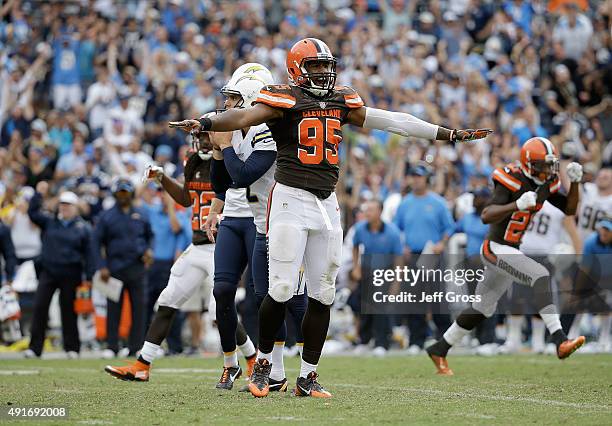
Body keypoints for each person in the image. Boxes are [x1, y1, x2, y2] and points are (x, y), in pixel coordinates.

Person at [170, 37, 491, 397]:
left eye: (326, 65)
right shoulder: (285, 99)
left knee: (324, 294)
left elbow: (391, 121)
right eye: (315, 65)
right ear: (297, 69)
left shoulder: (342, 99)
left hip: (327, 202)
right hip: (290, 198)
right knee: (280, 288)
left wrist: (444, 133)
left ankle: (307, 377)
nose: (323, 72)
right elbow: (242, 115)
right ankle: (263, 364)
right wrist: (205, 121)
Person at [426, 137, 585, 375]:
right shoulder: (510, 179)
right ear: (530, 164)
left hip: (511, 249)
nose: (549, 170)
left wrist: (575, 183)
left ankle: (439, 349)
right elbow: (487, 215)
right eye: (544, 165)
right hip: (496, 248)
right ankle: (560, 340)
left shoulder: (547, 182)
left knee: (481, 309)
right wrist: (516, 205)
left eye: (551, 164)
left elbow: (570, 209)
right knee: (540, 275)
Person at [207, 64, 307, 391]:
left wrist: (223, 148)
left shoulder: (268, 129)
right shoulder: (237, 129)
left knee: (293, 298)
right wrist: (218, 154)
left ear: (250, 99)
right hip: (262, 220)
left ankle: (307, 368)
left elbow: (244, 175)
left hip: (287, 218)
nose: (227, 105)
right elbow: (223, 185)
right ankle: (275, 372)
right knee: (267, 295)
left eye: (235, 98)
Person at [24, 184, 95, 358]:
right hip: (49, 271)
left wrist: (89, 277)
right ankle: (35, 348)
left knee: (68, 311)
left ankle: (72, 348)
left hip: (71, 273)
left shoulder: (83, 227)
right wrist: (38, 194)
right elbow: (32, 213)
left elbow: (90, 254)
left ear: (75, 208)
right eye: (62, 204)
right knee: (40, 307)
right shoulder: (50, 222)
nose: (64, 207)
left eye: (68, 205)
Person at [393, 164, 454, 353]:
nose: (416, 179)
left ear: (427, 178)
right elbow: (397, 229)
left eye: (419, 176)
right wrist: (402, 246)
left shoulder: (438, 202)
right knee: (414, 300)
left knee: (438, 298)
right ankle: (416, 341)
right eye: (413, 176)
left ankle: (445, 339)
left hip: (432, 255)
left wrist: (442, 244)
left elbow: (449, 228)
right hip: (412, 256)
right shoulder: (405, 203)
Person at [94, 178, 153, 358]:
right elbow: (96, 242)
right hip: (114, 268)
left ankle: (135, 346)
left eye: (126, 192)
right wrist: (101, 266)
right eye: (120, 193)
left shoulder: (141, 213)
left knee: (139, 309)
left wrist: (149, 251)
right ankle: (112, 347)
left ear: (131, 194)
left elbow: (150, 236)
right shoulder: (106, 216)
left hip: (137, 267)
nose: (123, 196)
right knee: (113, 309)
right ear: (115, 194)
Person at [350, 199, 403, 356]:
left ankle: (382, 343)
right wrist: (356, 267)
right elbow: (355, 247)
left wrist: (396, 282)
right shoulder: (360, 228)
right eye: (366, 210)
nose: (367, 213)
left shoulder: (392, 232)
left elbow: (398, 259)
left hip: (385, 273)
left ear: (380, 211)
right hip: (366, 272)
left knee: (381, 310)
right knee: (364, 308)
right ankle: (364, 341)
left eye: (371, 210)